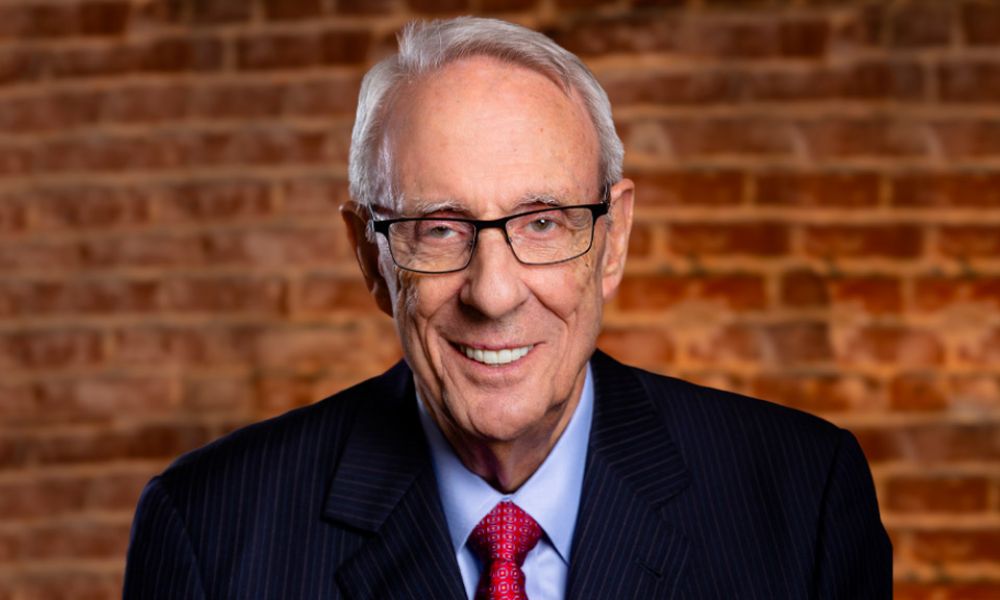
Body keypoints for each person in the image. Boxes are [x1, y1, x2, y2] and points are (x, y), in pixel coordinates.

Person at [123, 17, 892, 599]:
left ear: (613, 239)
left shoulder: (803, 502)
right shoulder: (209, 533)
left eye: (542, 222)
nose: (493, 293)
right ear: (371, 256)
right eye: (440, 229)